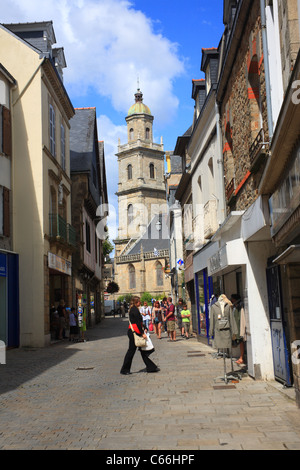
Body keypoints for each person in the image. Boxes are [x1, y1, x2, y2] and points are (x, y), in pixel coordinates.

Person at [120, 296, 160, 375]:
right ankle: (124, 369)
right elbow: (137, 323)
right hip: (134, 332)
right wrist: (142, 333)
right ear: (136, 302)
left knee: (142, 350)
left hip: (135, 331)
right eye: (139, 302)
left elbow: (138, 322)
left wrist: (144, 328)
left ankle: (151, 367)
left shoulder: (134, 309)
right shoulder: (134, 310)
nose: (140, 303)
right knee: (131, 351)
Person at [231, 294, 246, 365]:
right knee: (240, 342)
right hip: (236, 328)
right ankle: (241, 357)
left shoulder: (239, 307)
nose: (231, 300)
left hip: (240, 328)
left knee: (241, 342)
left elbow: (241, 319)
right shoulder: (235, 307)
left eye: (232, 299)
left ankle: (241, 358)